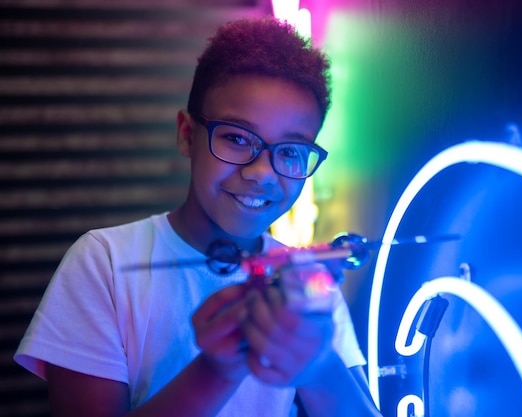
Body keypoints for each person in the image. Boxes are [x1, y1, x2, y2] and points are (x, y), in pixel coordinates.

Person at [14, 17, 382, 417]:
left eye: (291, 151)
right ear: (188, 135)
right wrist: (218, 369)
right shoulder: (104, 263)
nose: (261, 172)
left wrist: (320, 366)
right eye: (237, 138)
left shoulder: (306, 281)